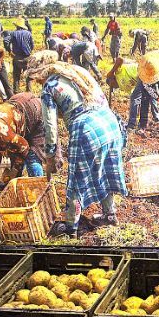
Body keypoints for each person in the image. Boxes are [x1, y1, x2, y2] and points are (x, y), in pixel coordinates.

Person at [26, 53, 127, 238]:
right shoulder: (76, 70)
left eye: (36, 78)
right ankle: (110, 215)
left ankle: (70, 227)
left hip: (86, 128)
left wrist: (49, 155)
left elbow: (50, 127)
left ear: (40, 73)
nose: (37, 81)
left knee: (75, 181)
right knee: (103, 170)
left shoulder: (49, 86)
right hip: (109, 122)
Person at [0, 92, 60, 184]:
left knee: (32, 156)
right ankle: (20, 181)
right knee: (13, 151)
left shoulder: (2, 132)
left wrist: (14, 170)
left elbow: (24, 147)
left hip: (36, 113)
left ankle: (38, 185)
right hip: (20, 111)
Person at [105, 56, 159, 129]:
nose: (114, 87)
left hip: (143, 71)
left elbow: (119, 59)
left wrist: (111, 72)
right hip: (143, 79)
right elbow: (135, 97)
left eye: (112, 85)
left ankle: (132, 125)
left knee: (148, 97)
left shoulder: (117, 72)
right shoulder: (122, 87)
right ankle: (155, 121)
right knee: (147, 97)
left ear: (112, 80)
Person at [9, 19, 34, 92]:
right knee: (28, 75)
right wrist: (29, 51)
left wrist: (9, 51)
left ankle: (16, 91)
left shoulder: (13, 33)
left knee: (16, 75)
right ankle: (29, 91)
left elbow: (6, 41)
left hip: (17, 57)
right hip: (27, 57)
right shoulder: (28, 33)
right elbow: (32, 45)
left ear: (17, 26)